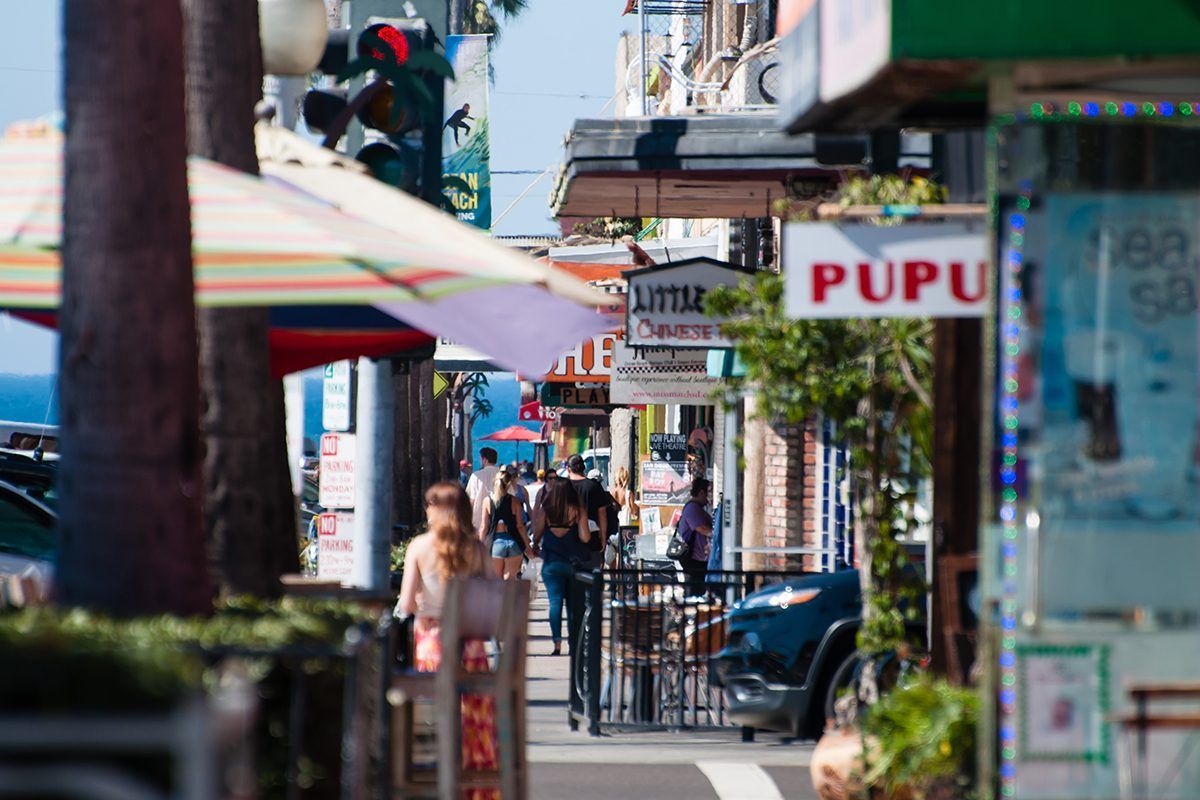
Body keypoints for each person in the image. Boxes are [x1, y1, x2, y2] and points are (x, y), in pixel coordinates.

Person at [397, 482, 497, 799]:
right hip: (470, 652)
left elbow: (407, 605)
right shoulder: (477, 549)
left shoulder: (418, 547)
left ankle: (434, 781)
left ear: (433, 509)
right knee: (473, 719)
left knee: (430, 718)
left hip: (432, 651)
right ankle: (475, 785)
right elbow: (493, 602)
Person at [531, 477, 591, 655]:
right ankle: (574, 644)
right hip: (573, 564)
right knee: (574, 607)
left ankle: (557, 644)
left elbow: (536, 536)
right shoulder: (577, 511)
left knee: (554, 603)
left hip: (551, 563)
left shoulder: (546, 511)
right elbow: (585, 537)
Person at [480, 470, 533, 580]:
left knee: (496, 579)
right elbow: (519, 526)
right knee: (510, 578)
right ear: (509, 484)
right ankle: (509, 596)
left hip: (495, 543)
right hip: (513, 541)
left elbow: (484, 527)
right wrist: (527, 546)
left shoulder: (488, 501)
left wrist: (479, 546)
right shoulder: (514, 501)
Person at [565, 454, 608, 567]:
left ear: (568, 469)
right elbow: (602, 513)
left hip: (568, 537)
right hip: (591, 537)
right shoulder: (594, 486)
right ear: (583, 468)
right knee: (592, 576)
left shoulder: (563, 487)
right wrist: (603, 536)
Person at [677, 478, 714, 597]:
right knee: (696, 591)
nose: (710, 498)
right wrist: (718, 535)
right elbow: (702, 528)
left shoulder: (696, 507)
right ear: (701, 492)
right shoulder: (692, 508)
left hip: (699, 559)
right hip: (695, 560)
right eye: (709, 493)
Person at [465, 447, 500, 533]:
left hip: (479, 521)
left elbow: (471, 499)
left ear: (484, 459)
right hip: (500, 522)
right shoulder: (503, 475)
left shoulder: (476, 476)